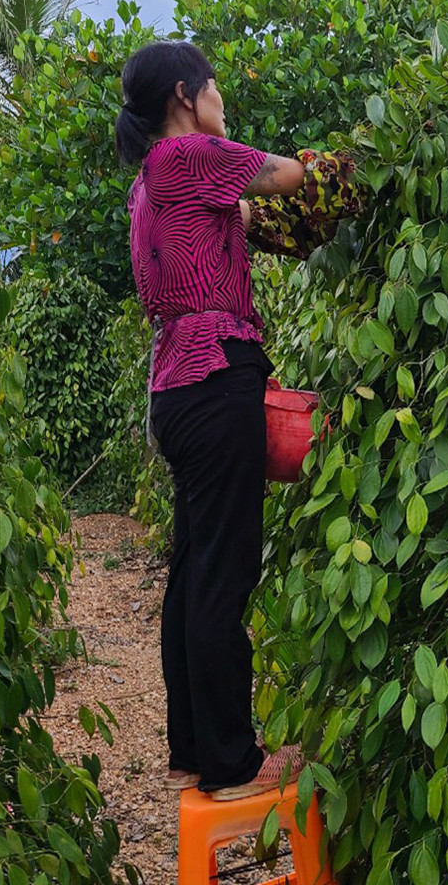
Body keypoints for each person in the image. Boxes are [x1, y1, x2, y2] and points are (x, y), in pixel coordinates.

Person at [115, 40, 321, 801]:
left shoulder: (148, 183)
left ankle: (196, 749)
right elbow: (291, 178)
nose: (222, 105)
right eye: (216, 91)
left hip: (175, 386)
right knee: (225, 576)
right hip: (214, 372)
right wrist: (350, 160)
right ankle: (233, 763)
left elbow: (236, 217)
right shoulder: (191, 154)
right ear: (184, 94)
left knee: (194, 571)